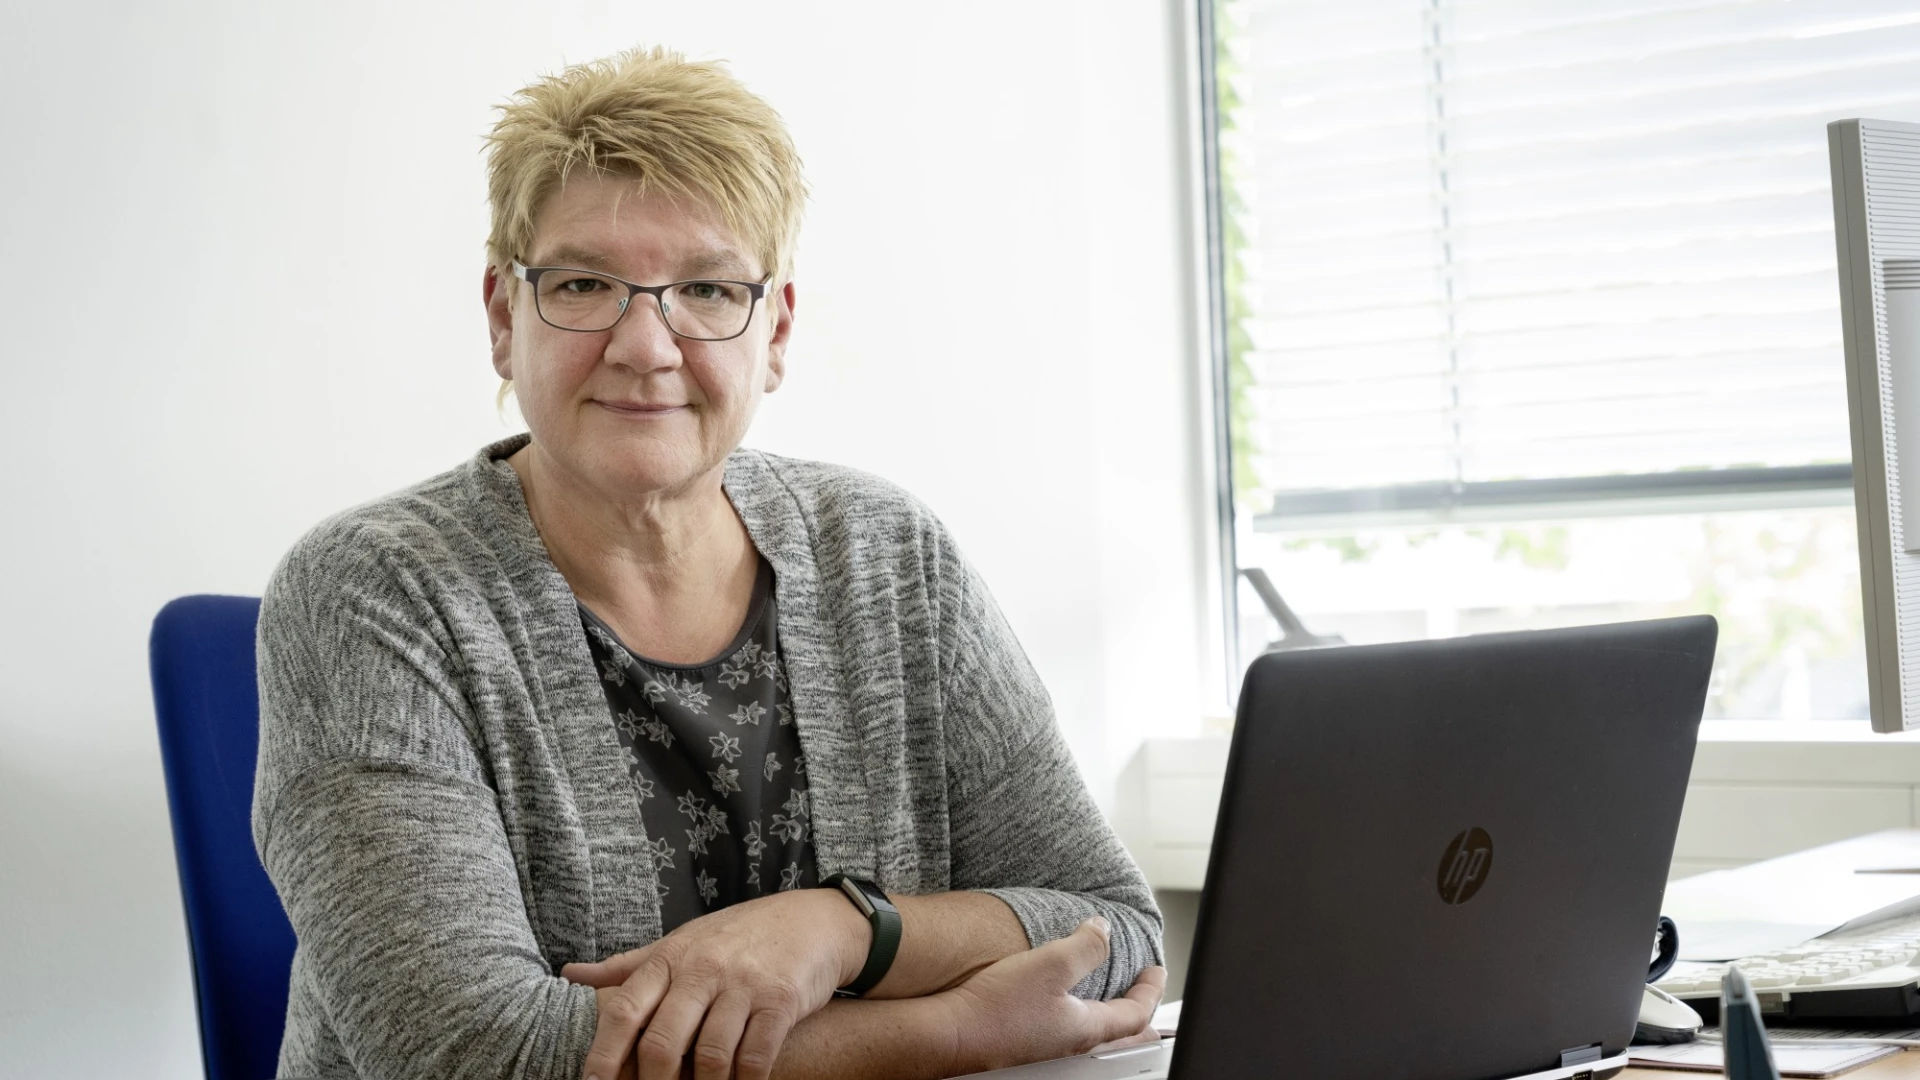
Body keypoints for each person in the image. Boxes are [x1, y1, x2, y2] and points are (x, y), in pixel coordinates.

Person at [252, 45, 1166, 1080]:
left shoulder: (891, 558)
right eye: (586, 283)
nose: (648, 344)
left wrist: (837, 930)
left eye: (705, 287)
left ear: (773, 329)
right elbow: (468, 1052)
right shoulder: (370, 593)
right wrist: (946, 1032)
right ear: (505, 319)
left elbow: (1112, 930)